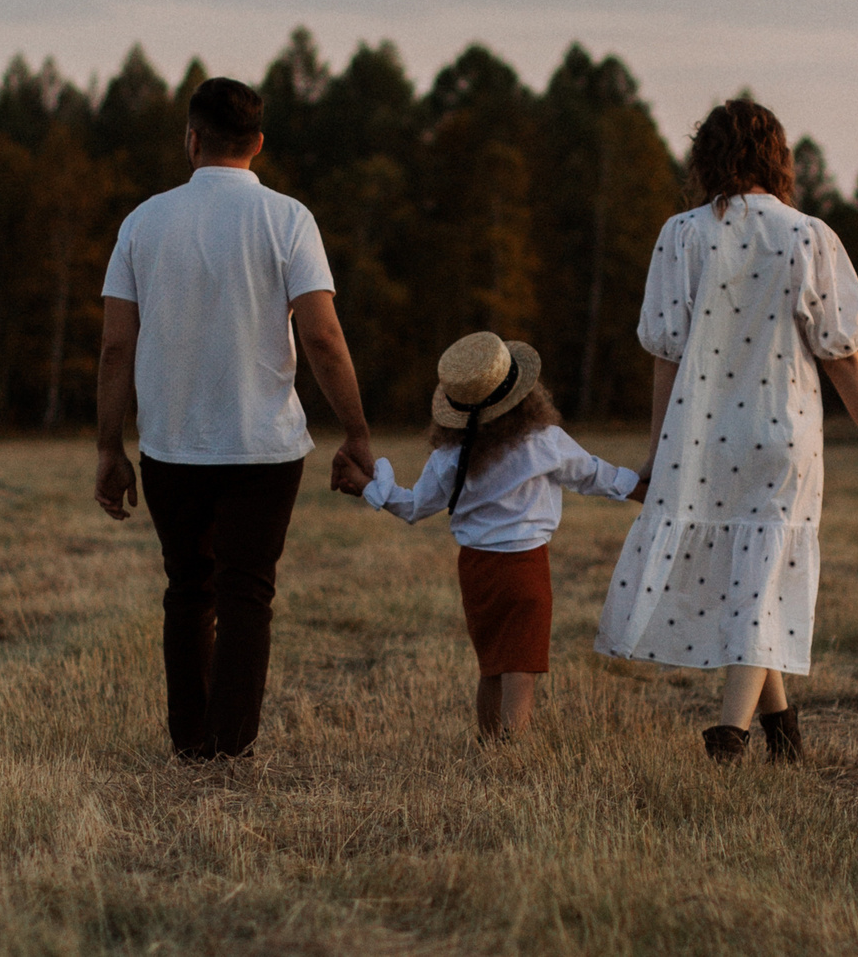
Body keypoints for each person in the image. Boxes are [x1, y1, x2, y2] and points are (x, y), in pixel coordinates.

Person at [594, 97, 858, 764]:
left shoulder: (680, 235)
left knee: (751, 578)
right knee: (761, 577)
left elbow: (665, 358)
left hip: (702, 437)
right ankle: (734, 736)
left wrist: (655, 454)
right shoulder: (806, 235)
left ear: (706, 157)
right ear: (777, 157)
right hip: (783, 434)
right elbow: (841, 352)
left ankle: (776, 734)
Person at [94, 75, 375, 761]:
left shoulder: (143, 222)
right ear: (259, 143)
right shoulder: (288, 219)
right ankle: (230, 745)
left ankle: (191, 741)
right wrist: (357, 431)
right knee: (247, 594)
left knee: (188, 588)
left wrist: (109, 446)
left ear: (191, 139)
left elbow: (114, 347)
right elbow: (324, 338)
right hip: (265, 448)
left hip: (171, 445)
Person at [336, 332, 641, 740]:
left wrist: (369, 485)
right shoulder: (543, 442)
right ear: (523, 395)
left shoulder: (450, 457)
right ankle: (513, 747)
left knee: (492, 663)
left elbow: (413, 507)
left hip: (476, 569)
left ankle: (489, 742)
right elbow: (596, 476)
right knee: (522, 664)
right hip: (526, 566)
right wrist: (645, 487)